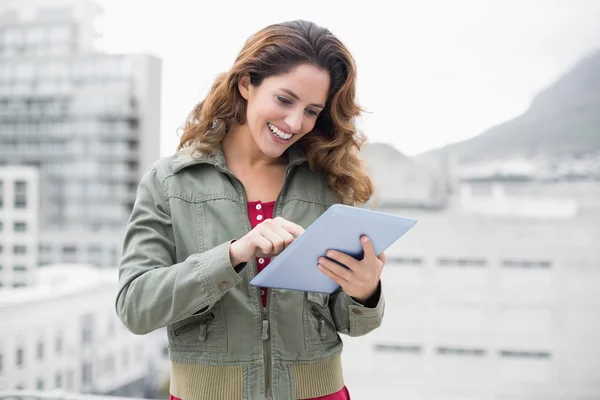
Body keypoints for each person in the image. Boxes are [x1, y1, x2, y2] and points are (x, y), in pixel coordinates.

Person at [116, 20, 386, 400]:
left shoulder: (328, 185)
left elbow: (352, 323)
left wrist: (365, 292)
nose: (295, 123)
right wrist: (233, 254)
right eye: (284, 99)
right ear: (246, 84)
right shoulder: (170, 182)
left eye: (311, 110)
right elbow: (135, 306)